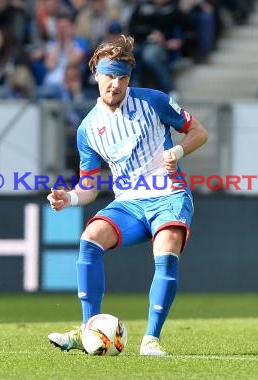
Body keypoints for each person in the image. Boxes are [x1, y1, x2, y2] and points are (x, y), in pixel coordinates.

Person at [46, 34, 209, 356]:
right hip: (129, 203)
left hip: (168, 194)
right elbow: (89, 186)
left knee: (166, 248)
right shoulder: (88, 129)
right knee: (90, 238)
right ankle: (88, 330)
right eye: (109, 76)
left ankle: (151, 339)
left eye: (122, 77)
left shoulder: (153, 101)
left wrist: (177, 150)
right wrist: (71, 198)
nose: (115, 84)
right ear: (95, 74)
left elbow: (199, 132)